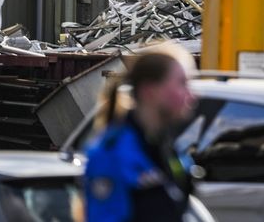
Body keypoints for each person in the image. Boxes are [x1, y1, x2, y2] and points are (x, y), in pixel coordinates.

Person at [84, 44, 199, 222]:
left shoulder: (168, 149)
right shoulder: (111, 155)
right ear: (149, 91)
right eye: (182, 83)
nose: (191, 95)